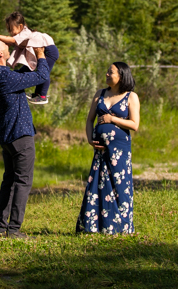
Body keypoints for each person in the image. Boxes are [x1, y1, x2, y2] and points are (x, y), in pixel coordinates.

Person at [0, 38, 49, 239]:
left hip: (6, 135)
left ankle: (1, 227)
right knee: (23, 181)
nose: (7, 45)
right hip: (20, 135)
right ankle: (14, 230)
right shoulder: (5, 78)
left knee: (9, 180)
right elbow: (42, 75)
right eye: (5, 46)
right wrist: (40, 53)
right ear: (1, 55)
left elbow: (18, 75)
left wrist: (20, 51)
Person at [75, 61, 140, 235]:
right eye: (107, 71)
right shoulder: (100, 94)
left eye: (110, 72)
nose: (107, 74)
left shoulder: (130, 96)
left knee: (119, 186)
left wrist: (112, 120)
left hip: (119, 151)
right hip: (100, 151)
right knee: (97, 184)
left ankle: (121, 227)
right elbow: (90, 120)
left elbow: (134, 124)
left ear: (121, 76)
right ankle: (93, 226)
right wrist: (90, 138)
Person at [0, 11, 58, 105]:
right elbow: (15, 43)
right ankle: (36, 94)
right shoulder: (23, 35)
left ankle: (42, 96)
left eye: (11, 29)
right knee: (27, 68)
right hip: (41, 52)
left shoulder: (24, 33)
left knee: (45, 72)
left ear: (20, 26)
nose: (10, 32)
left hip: (49, 51)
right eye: (8, 30)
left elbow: (13, 40)